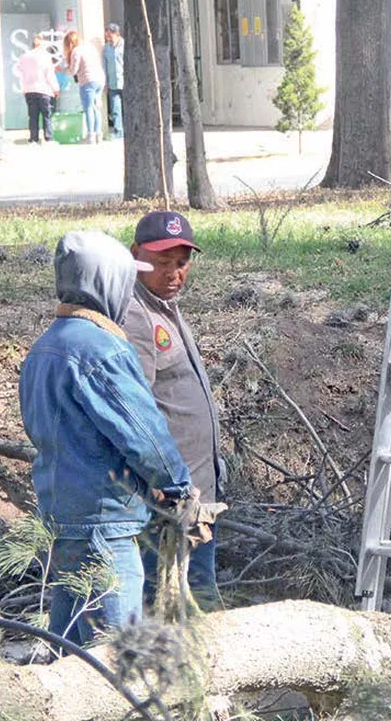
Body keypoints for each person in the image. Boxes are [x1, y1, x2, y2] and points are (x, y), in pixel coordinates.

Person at [19, 230, 196, 644]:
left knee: (68, 648)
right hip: (104, 526)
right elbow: (143, 433)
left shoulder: (44, 347)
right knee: (115, 656)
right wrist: (176, 485)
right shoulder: (102, 350)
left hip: (61, 518)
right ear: (107, 282)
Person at [122, 211, 228, 610]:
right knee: (180, 602)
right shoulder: (136, 315)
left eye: (182, 263)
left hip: (196, 491)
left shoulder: (164, 307)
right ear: (135, 254)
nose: (173, 273)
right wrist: (158, 478)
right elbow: (136, 409)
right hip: (170, 498)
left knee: (195, 599)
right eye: (162, 262)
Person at [63, 31, 107, 144]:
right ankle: (98, 135)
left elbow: (73, 70)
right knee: (96, 107)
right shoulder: (90, 47)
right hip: (100, 79)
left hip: (87, 81)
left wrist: (63, 70)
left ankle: (90, 136)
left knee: (88, 108)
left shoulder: (76, 51)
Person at [15, 33, 59, 145]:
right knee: (46, 115)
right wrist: (56, 88)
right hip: (44, 90)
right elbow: (49, 75)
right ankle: (48, 138)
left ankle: (33, 139)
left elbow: (20, 73)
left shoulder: (24, 57)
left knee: (33, 116)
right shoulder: (45, 57)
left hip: (29, 90)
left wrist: (24, 88)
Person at [103, 23, 125, 139]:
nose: (109, 39)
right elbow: (105, 66)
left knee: (128, 107)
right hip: (112, 82)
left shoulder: (124, 45)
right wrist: (105, 82)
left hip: (124, 81)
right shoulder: (106, 48)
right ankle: (118, 131)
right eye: (107, 37)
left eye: (110, 36)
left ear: (117, 34)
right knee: (115, 109)